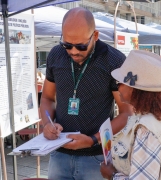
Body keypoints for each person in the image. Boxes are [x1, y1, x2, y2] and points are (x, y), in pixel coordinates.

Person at [40, 7, 133, 180]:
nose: (73, 51)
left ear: (95, 36)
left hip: (96, 158)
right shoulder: (55, 55)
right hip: (58, 155)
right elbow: (46, 98)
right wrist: (47, 123)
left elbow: (127, 113)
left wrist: (92, 140)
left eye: (81, 46)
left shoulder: (114, 61)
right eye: (67, 44)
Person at [100, 50, 161, 180]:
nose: (118, 88)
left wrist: (112, 175)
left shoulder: (146, 129)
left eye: (119, 83)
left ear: (134, 88)